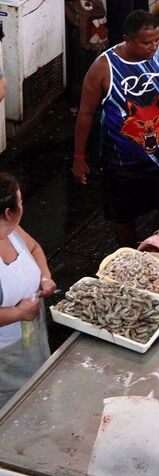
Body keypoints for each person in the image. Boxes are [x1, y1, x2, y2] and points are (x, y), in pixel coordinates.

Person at [72, 10, 159, 248]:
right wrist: (79, 157)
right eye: (145, 42)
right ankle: (129, 258)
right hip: (121, 164)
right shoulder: (103, 67)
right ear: (127, 39)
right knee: (123, 218)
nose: (153, 47)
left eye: (156, 40)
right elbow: (86, 114)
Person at [0, 173, 55, 409]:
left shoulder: (11, 231)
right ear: (8, 212)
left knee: (38, 389)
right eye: (20, 202)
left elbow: (34, 247)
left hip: (31, 333)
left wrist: (45, 276)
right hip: (5, 352)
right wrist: (18, 314)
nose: (23, 206)